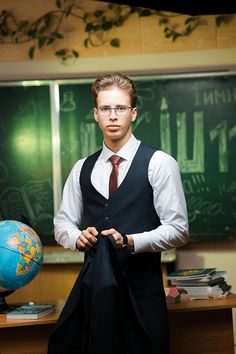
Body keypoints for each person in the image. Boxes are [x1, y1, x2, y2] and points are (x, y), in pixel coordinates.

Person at [49, 73, 189, 354]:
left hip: (144, 299)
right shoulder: (81, 169)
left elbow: (178, 229)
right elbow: (62, 222)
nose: (113, 116)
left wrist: (130, 240)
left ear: (133, 113)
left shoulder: (159, 163)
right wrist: (77, 238)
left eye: (121, 108)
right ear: (96, 114)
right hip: (96, 299)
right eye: (105, 108)